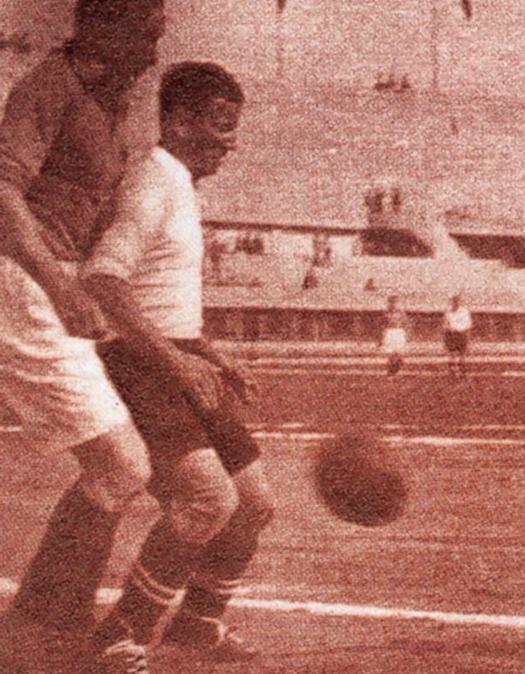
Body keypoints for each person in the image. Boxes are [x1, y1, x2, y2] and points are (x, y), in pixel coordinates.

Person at [81, 62, 273, 672]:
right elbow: (103, 281)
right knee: (205, 500)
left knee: (254, 503)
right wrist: (173, 360)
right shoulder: (152, 182)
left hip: (181, 358)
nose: (230, 140)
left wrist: (211, 353)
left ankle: (197, 625)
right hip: (141, 364)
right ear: (178, 120)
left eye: (234, 127)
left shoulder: (182, 185)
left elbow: (161, 293)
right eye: (219, 125)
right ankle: (118, 633)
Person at [0, 1, 165, 670]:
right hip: (21, 278)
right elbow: (3, 194)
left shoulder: (113, 102)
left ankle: (47, 623)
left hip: (50, 281)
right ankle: (42, 630)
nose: (155, 52)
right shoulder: (50, 85)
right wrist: (60, 287)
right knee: (123, 465)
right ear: (102, 27)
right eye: (146, 35)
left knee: (117, 466)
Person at [443, 293, 473, 377]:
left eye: (457, 301)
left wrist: (467, 337)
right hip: (451, 334)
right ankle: (452, 371)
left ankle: (462, 371)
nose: (455, 303)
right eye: (453, 301)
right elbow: (446, 324)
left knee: (462, 354)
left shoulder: (464, 311)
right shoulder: (448, 312)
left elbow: (468, 325)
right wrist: (446, 334)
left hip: (461, 334)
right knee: (452, 354)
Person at [381, 295, 410, 376]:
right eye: (391, 302)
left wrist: (406, 335)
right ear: (389, 303)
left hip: (399, 332)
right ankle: (390, 371)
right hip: (389, 332)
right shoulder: (385, 313)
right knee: (390, 354)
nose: (393, 304)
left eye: (395, 302)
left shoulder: (401, 313)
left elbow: (406, 324)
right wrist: (382, 337)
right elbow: (382, 325)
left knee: (399, 353)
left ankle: (396, 367)